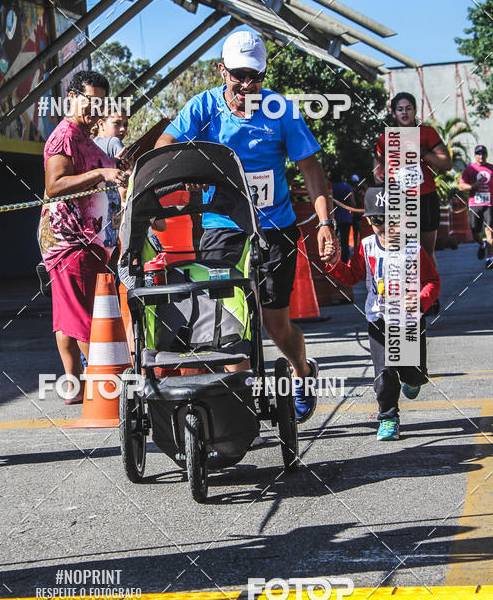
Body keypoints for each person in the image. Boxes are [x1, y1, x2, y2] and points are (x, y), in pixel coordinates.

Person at [155, 30, 340, 423]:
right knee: (226, 320)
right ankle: (242, 402)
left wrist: (325, 224)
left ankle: (302, 372)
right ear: (221, 70)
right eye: (238, 74)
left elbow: (310, 167)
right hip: (222, 226)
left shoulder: (281, 110)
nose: (245, 84)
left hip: (275, 229)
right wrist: (188, 166)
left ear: (263, 74)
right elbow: (164, 149)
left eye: (254, 75)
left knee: (276, 323)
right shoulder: (203, 106)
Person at [39, 71, 129, 404]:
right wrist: (102, 172)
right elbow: (55, 185)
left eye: (103, 103)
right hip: (70, 241)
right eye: (91, 101)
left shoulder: (84, 136)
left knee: (68, 316)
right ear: (73, 96)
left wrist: (116, 165)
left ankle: (75, 386)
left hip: (87, 242)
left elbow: (99, 172)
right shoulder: (64, 136)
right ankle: (107, 392)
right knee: (86, 318)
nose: (97, 109)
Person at [325, 186, 440, 441]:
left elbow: (432, 281)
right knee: (385, 372)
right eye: (378, 220)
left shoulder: (413, 249)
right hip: (379, 319)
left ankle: (413, 378)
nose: (386, 226)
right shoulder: (366, 247)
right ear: (367, 220)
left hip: (409, 321)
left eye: (393, 219)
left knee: (413, 373)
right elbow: (352, 275)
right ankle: (388, 417)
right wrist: (334, 265)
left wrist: (420, 300)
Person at [374, 92, 451, 315]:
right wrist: (379, 173)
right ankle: (406, 296)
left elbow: (446, 163)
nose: (404, 112)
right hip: (398, 199)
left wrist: (424, 154)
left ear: (414, 111)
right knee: (402, 251)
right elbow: (378, 161)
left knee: (425, 251)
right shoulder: (386, 137)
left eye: (408, 108)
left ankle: (429, 296)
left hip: (425, 197)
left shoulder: (426, 133)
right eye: (400, 109)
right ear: (394, 112)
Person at [459, 144, 493, 269]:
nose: (481, 156)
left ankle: (490, 259)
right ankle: (482, 244)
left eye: (483, 153)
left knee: (490, 231)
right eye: (478, 154)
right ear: (475, 155)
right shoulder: (469, 169)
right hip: (475, 204)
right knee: (475, 232)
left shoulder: (491, 168)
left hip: (490, 204)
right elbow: (461, 186)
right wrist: (473, 186)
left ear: (486, 155)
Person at [330, 167, 355, 263]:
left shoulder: (328, 187)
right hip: (345, 218)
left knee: (332, 242)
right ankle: (344, 264)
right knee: (345, 243)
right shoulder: (346, 187)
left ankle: (332, 263)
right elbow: (352, 204)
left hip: (331, 218)